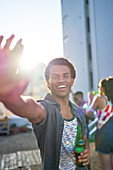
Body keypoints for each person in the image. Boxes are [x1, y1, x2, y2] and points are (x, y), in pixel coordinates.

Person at [0, 35, 90, 170]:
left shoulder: (79, 112)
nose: (61, 80)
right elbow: (29, 107)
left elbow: (85, 140)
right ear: (47, 82)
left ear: (72, 80)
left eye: (65, 76)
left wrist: (87, 152)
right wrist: (9, 96)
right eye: (55, 77)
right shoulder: (45, 109)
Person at [86, 77, 113, 170]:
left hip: (104, 136)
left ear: (103, 88)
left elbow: (88, 113)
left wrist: (91, 100)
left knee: (107, 167)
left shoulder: (100, 98)